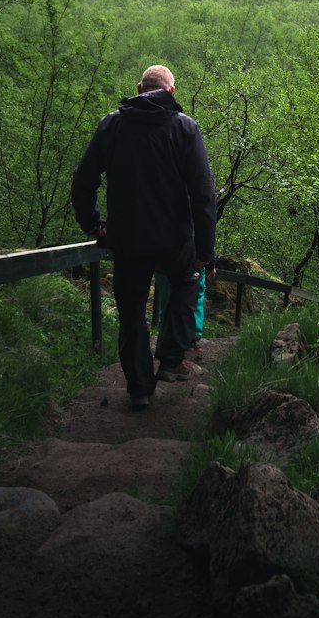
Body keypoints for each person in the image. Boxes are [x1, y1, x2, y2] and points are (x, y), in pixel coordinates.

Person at [71, 64, 217, 410]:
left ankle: (139, 389)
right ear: (171, 91)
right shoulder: (184, 128)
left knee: (132, 312)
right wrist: (205, 249)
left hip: (128, 239)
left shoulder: (112, 126)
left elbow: (83, 179)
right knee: (186, 280)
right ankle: (169, 359)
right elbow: (203, 195)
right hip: (174, 239)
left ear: (139, 88)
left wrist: (91, 223)